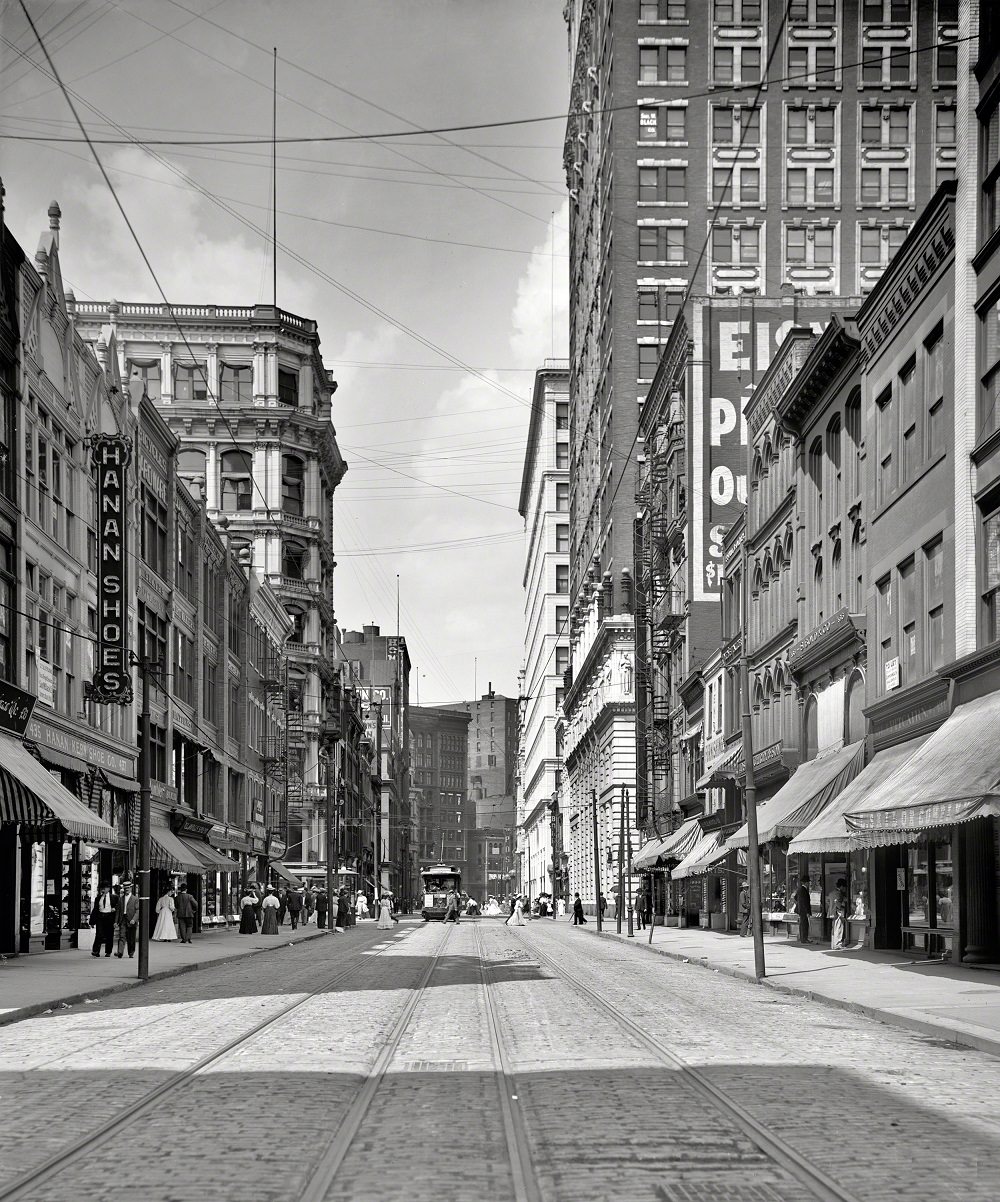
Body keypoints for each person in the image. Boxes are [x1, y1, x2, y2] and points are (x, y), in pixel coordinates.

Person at [90, 882, 116, 957]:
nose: (103, 890)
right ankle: (96, 951)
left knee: (109, 935)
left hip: (109, 917)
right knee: (99, 934)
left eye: (105, 888)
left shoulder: (114, 897)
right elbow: (95, 909)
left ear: (108, 889)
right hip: (100, 917)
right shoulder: (98, 898)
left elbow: (118, 907)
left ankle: (108, 951)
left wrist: (115, 909)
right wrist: (92, 921)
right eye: (102, 888)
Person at [115, 881, 140, 958]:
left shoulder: (135, 899)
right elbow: (118, 911)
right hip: (123, 919)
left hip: (131, 920)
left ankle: (131, 953)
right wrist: (116, 921)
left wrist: (134, 919)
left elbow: (138, 910)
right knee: (121, 936)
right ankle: (120, 952)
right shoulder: (121, 899)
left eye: (128, 888)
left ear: (131, 888)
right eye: (125, 888)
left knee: (131, 938)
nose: (127, 890)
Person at [829, 878, 848, 950]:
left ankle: (833, 944)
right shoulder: (839, 893)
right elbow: (838, 904)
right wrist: (843, 906)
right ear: (842, 886)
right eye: (844, 887)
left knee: (834, 929)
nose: (845, 889)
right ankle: (838, 944)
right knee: (838, 928)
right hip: (837, 913)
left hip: (832, 913)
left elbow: (830, 903)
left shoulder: (831, 893)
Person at [795, 876, 812, 944]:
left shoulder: (800, 889)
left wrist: (799, 904)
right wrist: (807, 911)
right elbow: (804, 902)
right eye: (808, 882)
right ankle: (804, 939)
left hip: (801, 910)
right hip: (804, 911)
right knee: (804, 925)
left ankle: (803, 938)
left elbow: (796, 897)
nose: (809, 884)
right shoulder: (803, 890)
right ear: (806, 883)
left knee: (803, 924)